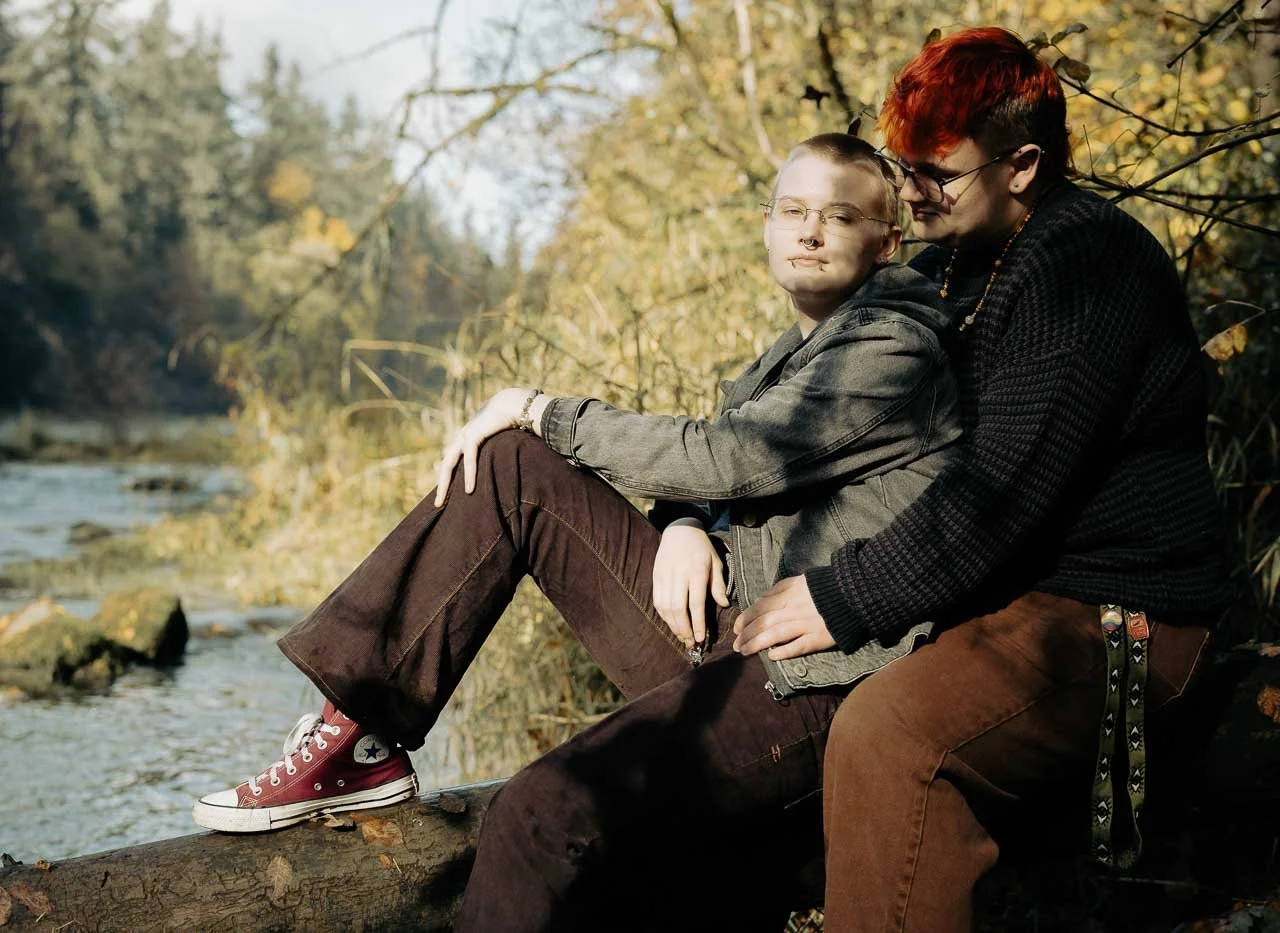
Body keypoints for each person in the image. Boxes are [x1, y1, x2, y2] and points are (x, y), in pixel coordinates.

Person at [191, 133, 962, 930]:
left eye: (837, 216)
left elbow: (732, 455)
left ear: (887, 242)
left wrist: (541, 406)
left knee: (538, 812)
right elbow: (736, 471)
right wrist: (686, 524)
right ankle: (358, 735)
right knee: (515, 466)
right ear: (766, 222)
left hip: (811, 683)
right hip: (728, 627)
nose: (808, 231)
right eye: (793, 210)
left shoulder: (891, 347)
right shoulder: (796, 350)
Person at [730, 28, 1233, 932]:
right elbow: (802, 411)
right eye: (903, 164)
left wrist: (846, 597)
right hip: (1003, 592)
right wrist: (695, 515)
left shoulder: (1087, 262)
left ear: (1024, 164)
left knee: (891, 736)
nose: (911, 189)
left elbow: (1001, 490)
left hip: (1115, 612)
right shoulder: (942, 261)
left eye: (939, 171)